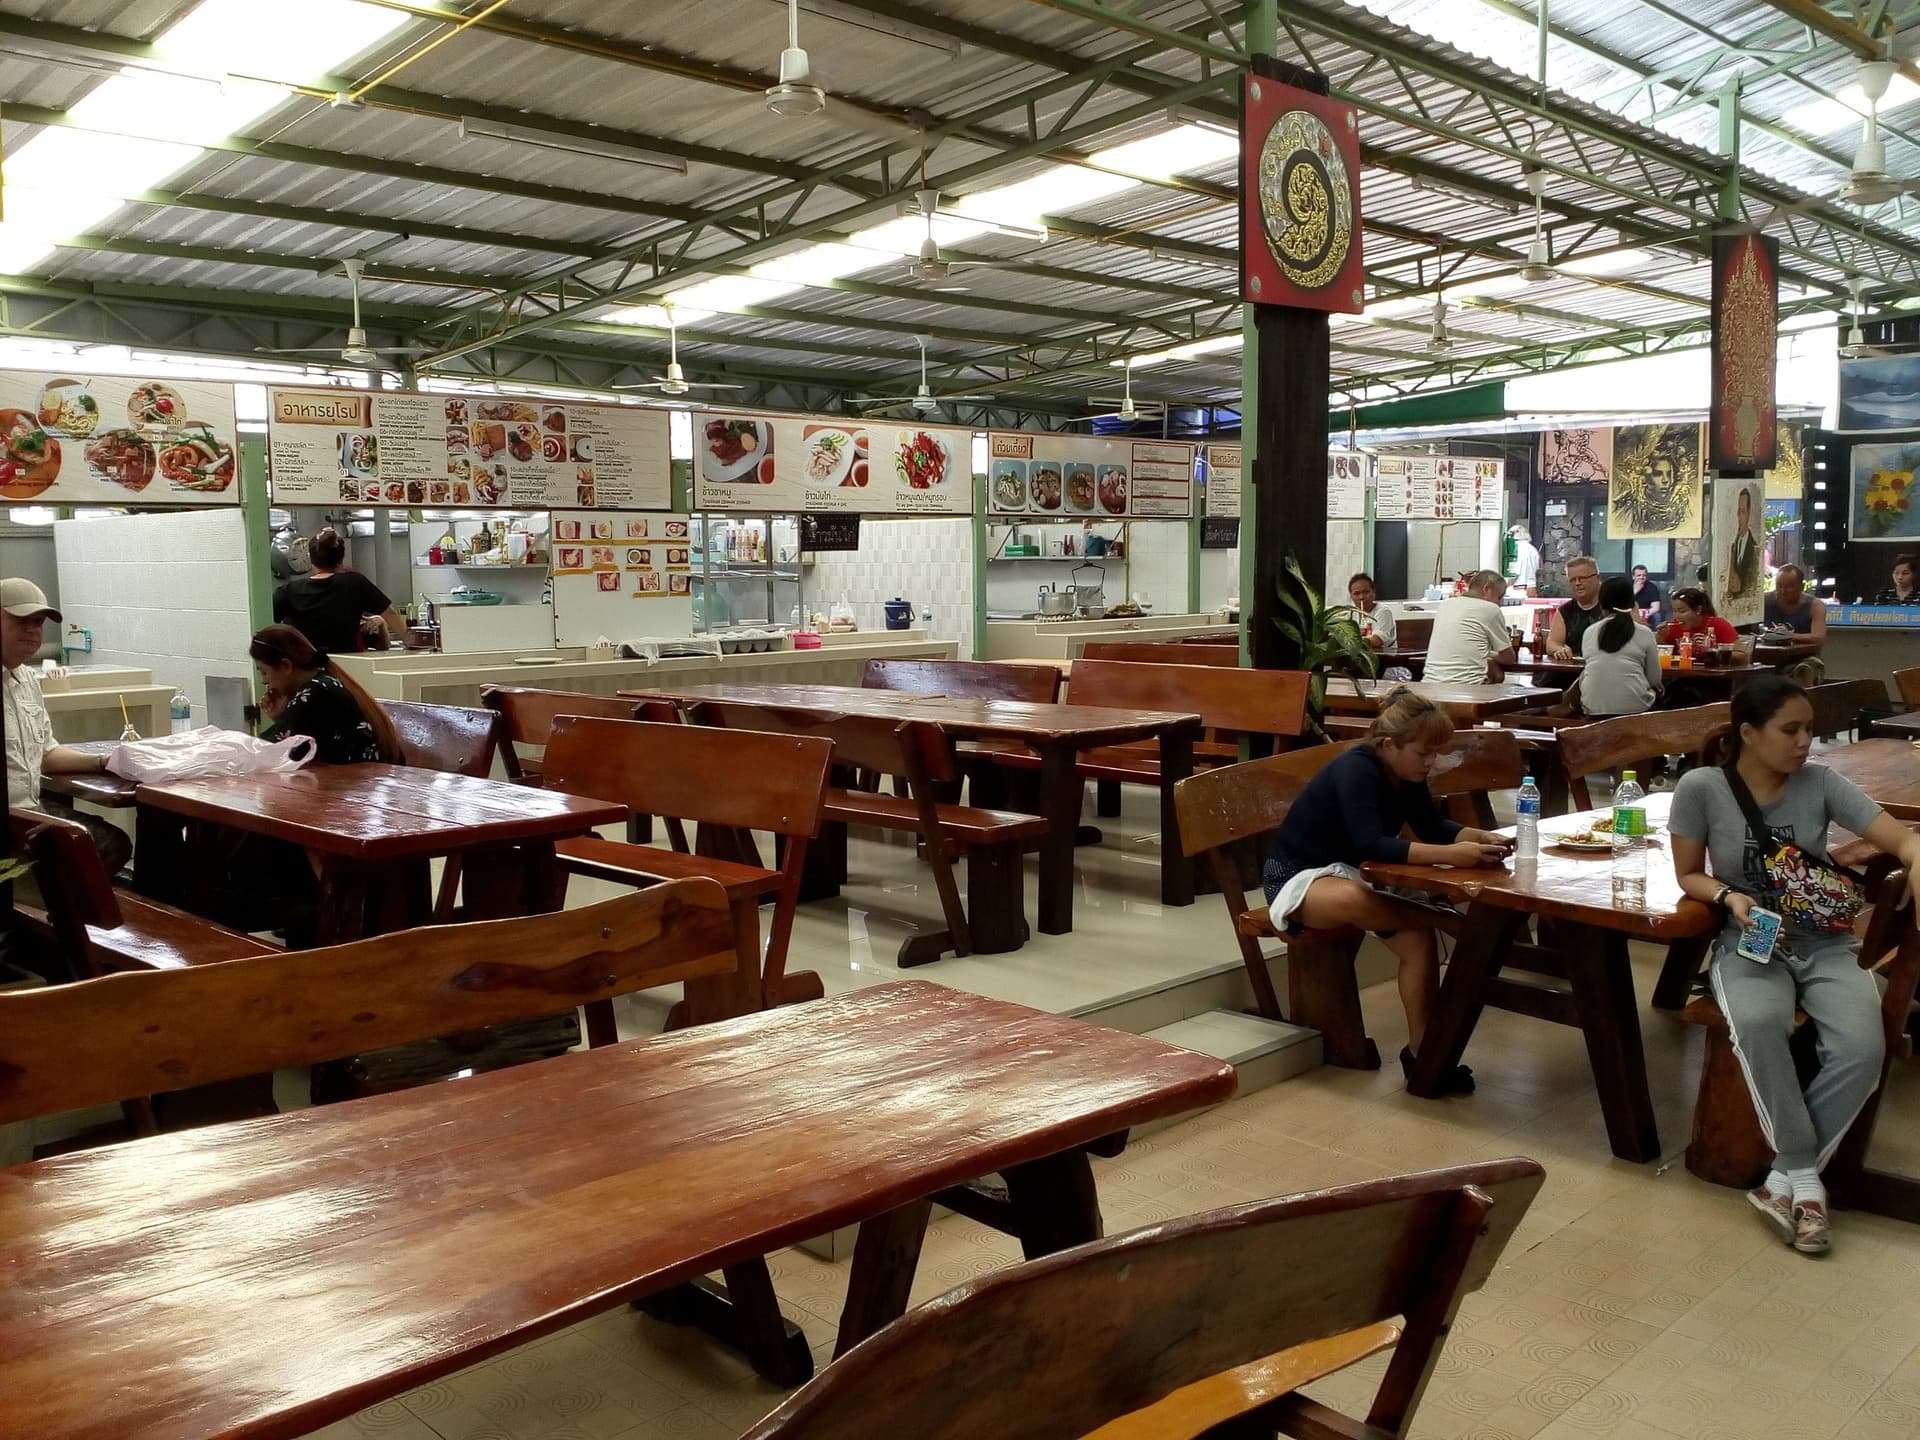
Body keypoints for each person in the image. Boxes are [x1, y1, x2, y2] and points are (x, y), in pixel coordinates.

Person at [1670, 677, 1920, 1255]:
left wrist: (1914, 856)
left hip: (1826, 942)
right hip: (1749, 941)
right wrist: (1727, 896)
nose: (1806, 741)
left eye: (1810, 728)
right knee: (1758, 1023)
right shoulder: (1703, 787)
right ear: (1749, 733)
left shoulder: (1821, 782)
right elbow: (1687, 874)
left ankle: (1786, 1178)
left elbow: (1901, 839)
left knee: (1863, 1047)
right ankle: (1806, 1181)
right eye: (1792, 729)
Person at [1261, 688, 1511, 1093]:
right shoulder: (1357, 768)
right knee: (1355, 899)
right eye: (1423, 753)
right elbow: (1371, 844)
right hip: (1299, 877)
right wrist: (1453, 855)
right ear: (1390, 744)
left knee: (1416, 940)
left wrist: (1476, 837)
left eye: (1435, 754)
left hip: (1353, 872)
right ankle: (1447, 918)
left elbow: (1430, 825)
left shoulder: (1406, 772)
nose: (1430, 763)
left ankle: (1425, 1056)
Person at [1, 578, 132, 874]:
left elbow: (47, 754)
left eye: (38, 622)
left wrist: (105, 762)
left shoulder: (27, 682)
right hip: (9, 823)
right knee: (88, 849)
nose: (33, 631)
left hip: (28, 812)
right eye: (22, 621)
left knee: (113, 844)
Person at [249, 624, 399, 765]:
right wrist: (282, 717)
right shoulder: (323, 681)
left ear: (286, 666)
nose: (264, 681)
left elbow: (275, 753)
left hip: (358, 782)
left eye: (264, 672)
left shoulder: (314, 694)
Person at [272, 528, 405, 656]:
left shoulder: (288, 591)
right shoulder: (354, 583)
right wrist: (410, 643)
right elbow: (390, 613)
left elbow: (265, 622)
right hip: (346, 666)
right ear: (341, 559)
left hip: (305, 667)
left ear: (310, 559)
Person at [1580, 575, 1661, 717]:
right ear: (1632, 603)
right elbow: (1654, 679)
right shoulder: (1644, 632)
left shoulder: (1589, 632)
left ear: (1601, 603)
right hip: (1634, 710)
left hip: (1593, 708)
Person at [1422, 569, 1516, 684]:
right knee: (1514, 686)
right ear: (1487, 589)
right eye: (1499, 597)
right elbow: (1508, 658)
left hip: (1429, 684)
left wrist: (1485, 655)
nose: (1500, 603)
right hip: (1469, 687)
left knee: (1495, 673)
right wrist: (1489, 655)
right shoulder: (1490, 609)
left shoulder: (1445, 605)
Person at [1546, 555, 1605, 660]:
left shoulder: (1615, 605)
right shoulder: (1564, 611)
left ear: (1598, 578)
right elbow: (1552, 643)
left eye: (1582, 578)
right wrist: (1560, 649)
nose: (1577, 583)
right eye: (1573, 580)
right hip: (1571, 671)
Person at [1658, 587, 1739, 648]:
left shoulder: (1719, 625)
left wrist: (1713, 650)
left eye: (1682, 611)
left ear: (1698, 610)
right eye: (1674, 611)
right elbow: (1659, 654)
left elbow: (1741, 655)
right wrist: (1660, 637)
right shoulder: (1673, 628)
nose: (1676, 616)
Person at [1763, 564, 1827, 641]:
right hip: (1767, 651)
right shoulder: (1764, 601)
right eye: (1779, 586)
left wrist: (1787, 636)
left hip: (1804, 652)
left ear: (1801, 587)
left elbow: (1818, 638)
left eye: (1789, 586)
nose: (1783, 591)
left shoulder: (1815, 606)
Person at [1724, 485, 1763, 600]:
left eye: (1742, 512)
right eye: (1736, 512)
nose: (1738, 518)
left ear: (1749, 514)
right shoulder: (1730, 545)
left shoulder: (1755, 549)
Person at [1508, 524, 1541, 595]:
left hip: (1518, 589)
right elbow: (1538, 568)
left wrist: (1506, 586)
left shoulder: (1516, 548)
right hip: (1532, 588)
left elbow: (1515, 571)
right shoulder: (1533, 549)